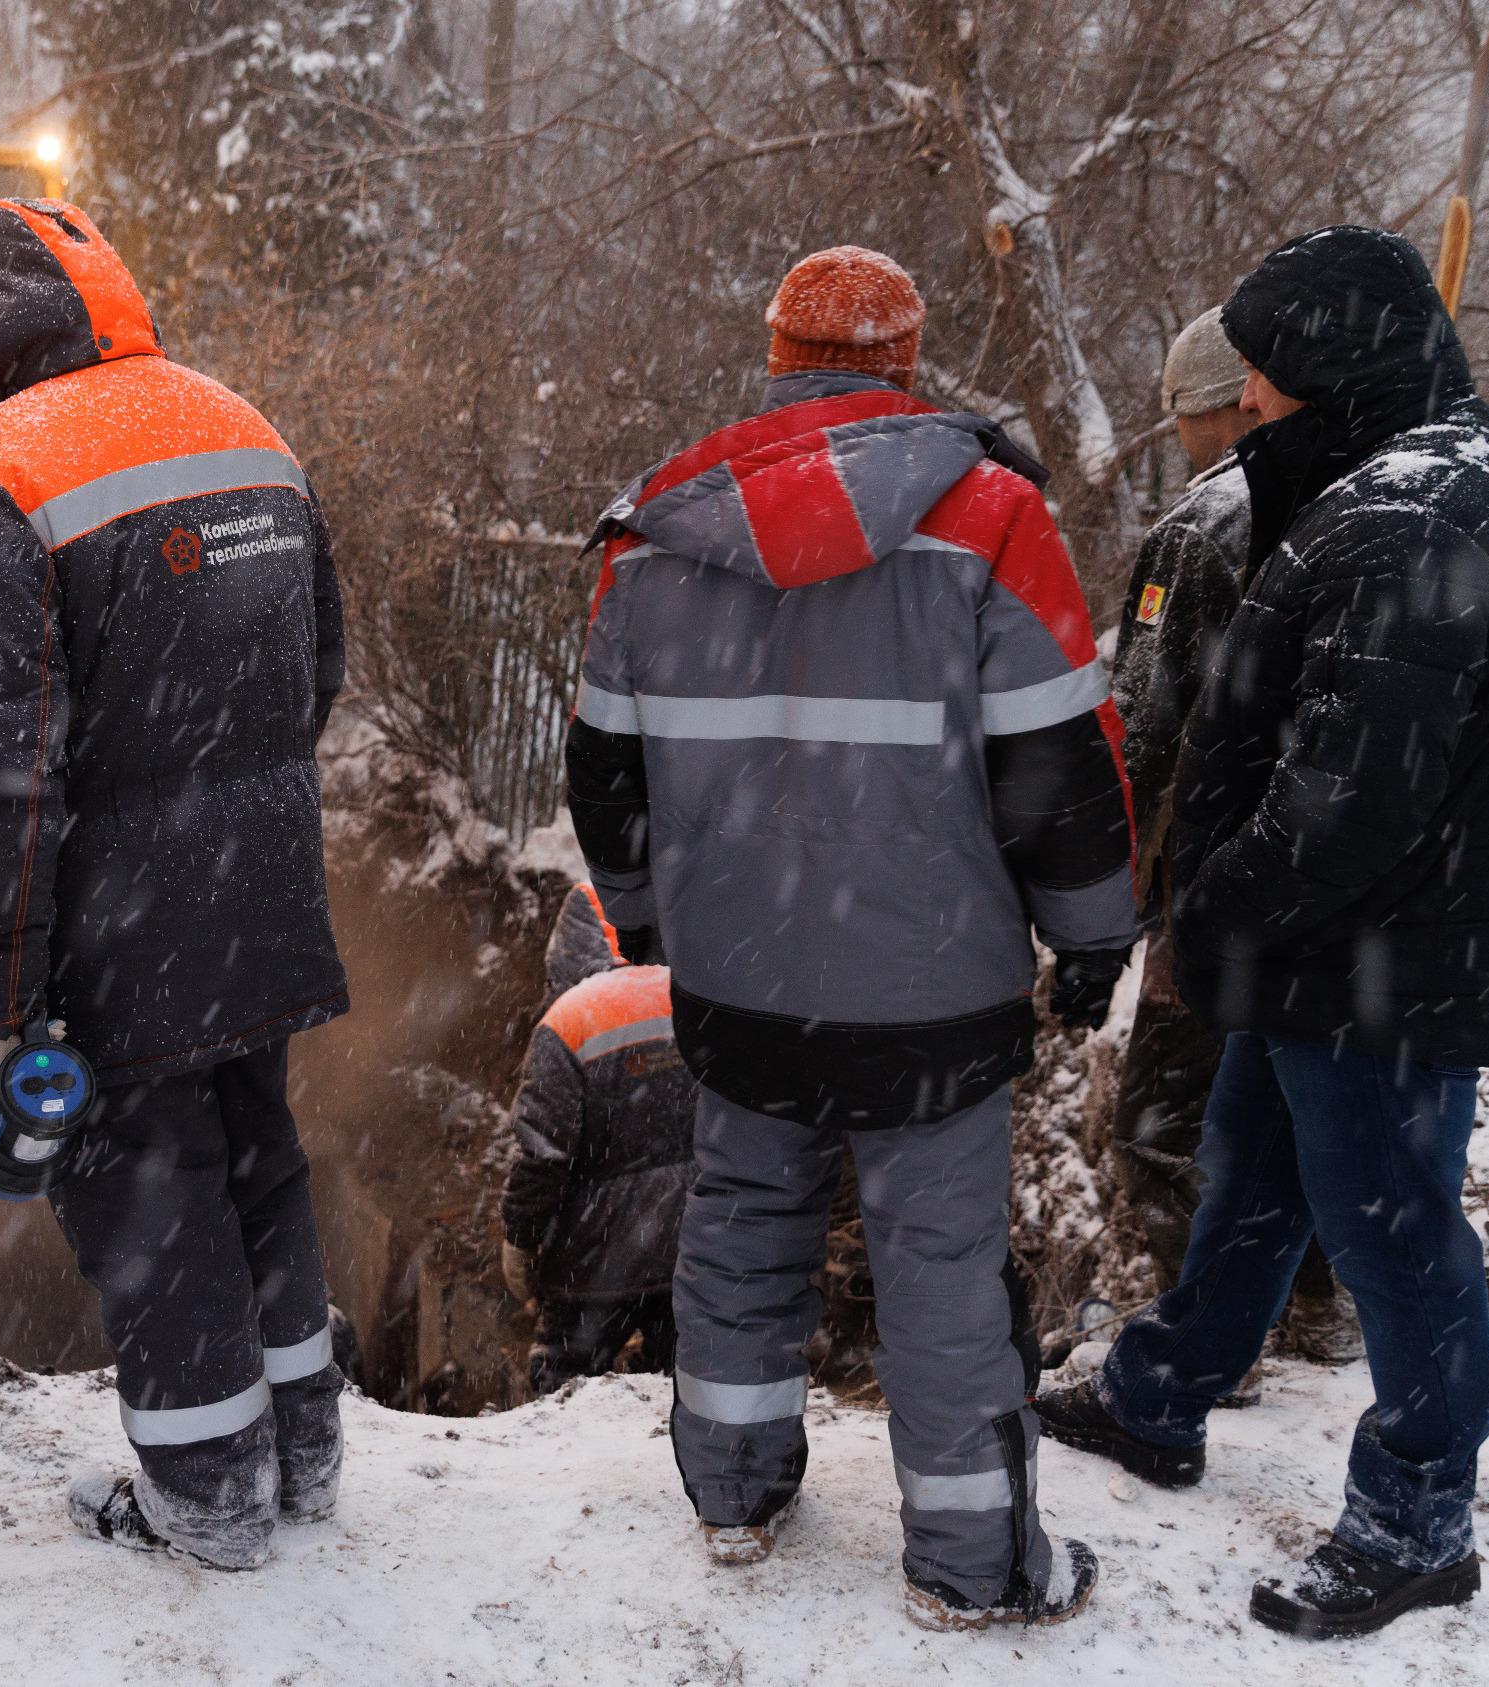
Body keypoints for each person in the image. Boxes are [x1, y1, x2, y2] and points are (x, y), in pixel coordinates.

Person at [568, 246, 1137, 1628]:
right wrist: (1091, 933)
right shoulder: (992, 521)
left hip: (739, 976)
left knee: (745, 1217)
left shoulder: (653, 539)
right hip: (932, 980)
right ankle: (972, 1562)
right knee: (939, 1261)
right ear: (905, 360)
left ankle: (735, 1493)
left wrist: (651, 920)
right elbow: (1060, 762)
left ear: (776, 355)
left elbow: (602, 771)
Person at [1035, 225, 1489, 1639]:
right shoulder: (1415, 471)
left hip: (1376, 955)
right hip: (1343, 946)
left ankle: (1416, 1510)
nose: (1250, 405)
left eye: (1267, 381)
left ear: (1332, 368)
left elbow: (1348, 803)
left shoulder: (1415, 514)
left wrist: (1215, 902)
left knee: (1394, 1226)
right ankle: (1163, 1391)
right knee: (1256, 1167)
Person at [0, 198, 348, 1573]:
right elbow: (319, 670)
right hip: (259, 881)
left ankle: (208, 1494)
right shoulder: (239, 423)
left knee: (151, 1200)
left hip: (115, 922)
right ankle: (304, 1453)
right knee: (258, 1160)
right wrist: (229, 806)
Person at [1106, 308, 1355, 1362]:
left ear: (1213, 408)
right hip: (1339, 871)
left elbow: (1147, 715)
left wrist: (1114, 875)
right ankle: (1309, 1303)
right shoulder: (1361, 499)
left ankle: (1208, 1331)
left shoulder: (1205, 524)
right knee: (1301, 1101)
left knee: (1164, 1119)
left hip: (1218, 876)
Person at [500, 884, 694, 1393]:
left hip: (595, 1262)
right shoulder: (697, 997)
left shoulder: (571, 1019)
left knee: (561, 1397)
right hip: (696, 1250)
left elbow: (542, 1157)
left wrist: (519, 1238)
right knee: (687, 1393)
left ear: (569, 946)